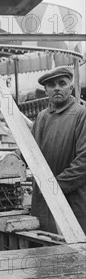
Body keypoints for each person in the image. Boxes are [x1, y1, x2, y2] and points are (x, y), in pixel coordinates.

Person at [30, 66, 86, 234]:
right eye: (51, 85)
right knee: (45, 248)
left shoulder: (81, 114)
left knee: (74, 252)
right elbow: (30, 152)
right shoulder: (41, 117)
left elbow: (84, 161)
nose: (57, 88)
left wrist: (56, 187)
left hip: (72, 201)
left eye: (62, 83)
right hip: (44, 201)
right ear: (46, 90)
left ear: (71, 87)